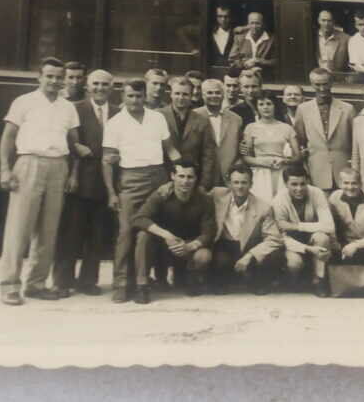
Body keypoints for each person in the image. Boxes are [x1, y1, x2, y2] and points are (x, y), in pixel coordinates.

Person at [0, 58, 86, 306]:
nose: (54, 81)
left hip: (59, 166)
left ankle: (36, 284)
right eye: (50, 76)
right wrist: (5, 169)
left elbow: (74, 143)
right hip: (29, 163)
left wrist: (73, 173)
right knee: (19, 228)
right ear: (39, 77)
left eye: (59, 77)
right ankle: (10, 285)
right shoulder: (23, 102)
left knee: (48, 231)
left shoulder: (68, 107)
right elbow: (8, 137)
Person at [102, 80, 183, 303]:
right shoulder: (115, 123)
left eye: (139, 96)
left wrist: (180, 171)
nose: (135, 101)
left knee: (148, 233)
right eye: (130, 96)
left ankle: (142, 284)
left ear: (144, 96)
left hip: (158, 177)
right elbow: (108, 161)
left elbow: (171, 150)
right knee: (126, 232)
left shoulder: (157, 118)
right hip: (130, 179)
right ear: (123, 97)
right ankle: (120, 284)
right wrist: (111, 192)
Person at [52, 69, 116, 297]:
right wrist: (72, 174)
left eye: (105, 85)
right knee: (71, 233)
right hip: (79, 180)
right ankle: (62, 280)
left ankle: (88, 281)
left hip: (105, 182)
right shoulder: (75, 109)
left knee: (97, 235)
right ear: (88, 86)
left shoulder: (119, 113)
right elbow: (67, 143)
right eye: (96, 84)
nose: (100, 88)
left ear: (111, 87)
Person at [131, 160, 215, 303]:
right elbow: (139, 219)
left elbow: (209, 232)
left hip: (187, 245)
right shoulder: (161, 195)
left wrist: (190, 246)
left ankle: (191, 277)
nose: (185, 181)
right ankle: (142, 285)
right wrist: (166, 235)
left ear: (196, 179)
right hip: (163, 245)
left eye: (190, 177)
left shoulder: (204, 199)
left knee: (204, 255)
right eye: (181, 176)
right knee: (143, 236)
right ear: (172, 176)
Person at [209, 164, 285, 294]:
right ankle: (229, 280)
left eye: (244, 182)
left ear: (251, 184)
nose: (239, 186)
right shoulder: (217, 195)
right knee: (220, 267)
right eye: (236, 182)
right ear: (229, 183)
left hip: (250, 246)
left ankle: (259, 282)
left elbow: (274, 238)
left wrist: (250, 256)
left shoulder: (263, 207)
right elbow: (192, 191)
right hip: (225, 245)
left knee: (274, 255)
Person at [273, 168, 335, 297]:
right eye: (294, 184)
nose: (299, 188)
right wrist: (307, 249)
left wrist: (296, 226)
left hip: (312, 236)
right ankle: (292, 281)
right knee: (294, 264)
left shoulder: (316, 193)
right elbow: (281, 236)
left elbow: (329, 226)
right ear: (286, 184)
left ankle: (319, 280)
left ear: (307, 181)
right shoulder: (279, 199)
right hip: (291, 243)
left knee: (322, 238)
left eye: (302, 184)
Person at [292, 68, 354, 192]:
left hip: (344, 171)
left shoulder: (347, 109)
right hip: (316, 170)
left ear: (331, 83)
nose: (321, 88)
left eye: (325, 84)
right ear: (311, 84)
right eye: (317, 85)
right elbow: (300, 140)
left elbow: (355, 142)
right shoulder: (303, 109)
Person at [159, 76, 219, 189]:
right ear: (170, 94)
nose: (181, 97)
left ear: (191, 96)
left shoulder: (202, 120)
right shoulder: (158, 116)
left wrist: (204, 184)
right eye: (177, 93)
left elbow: (208, 155)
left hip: (191, 180)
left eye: (185, 94)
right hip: (163, 178)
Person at [242, 95, 302, 203]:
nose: (265, 107)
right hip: (260, 172)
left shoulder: (286, 128)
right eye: (261, 104)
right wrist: (262, 162)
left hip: (281, 171)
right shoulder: (250, 128)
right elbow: (245, 156)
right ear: (257, 108)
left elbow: (297, 156)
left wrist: (285, 160)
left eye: (269, 104)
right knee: (261, 204)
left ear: (275, 106)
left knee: (280, 203)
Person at [194, 79, 242, 183]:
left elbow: (241, 149)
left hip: (228, 175)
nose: (214, 96)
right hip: (201, 175)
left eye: (218, 92)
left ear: (223, 94)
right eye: (210, 93)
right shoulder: (194, 116)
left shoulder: (236, 119)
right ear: (202, 95)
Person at [228, 12, 277, 79]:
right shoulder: (240, 38)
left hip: (265, 78)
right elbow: (232, 59)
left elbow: (277, 61)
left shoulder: (272, 39)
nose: (254, 26)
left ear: (263, 24)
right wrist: (244, 64)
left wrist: (258, 61)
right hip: (244, 78)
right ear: (248, 24)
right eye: (252, 23)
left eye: (257, 23)